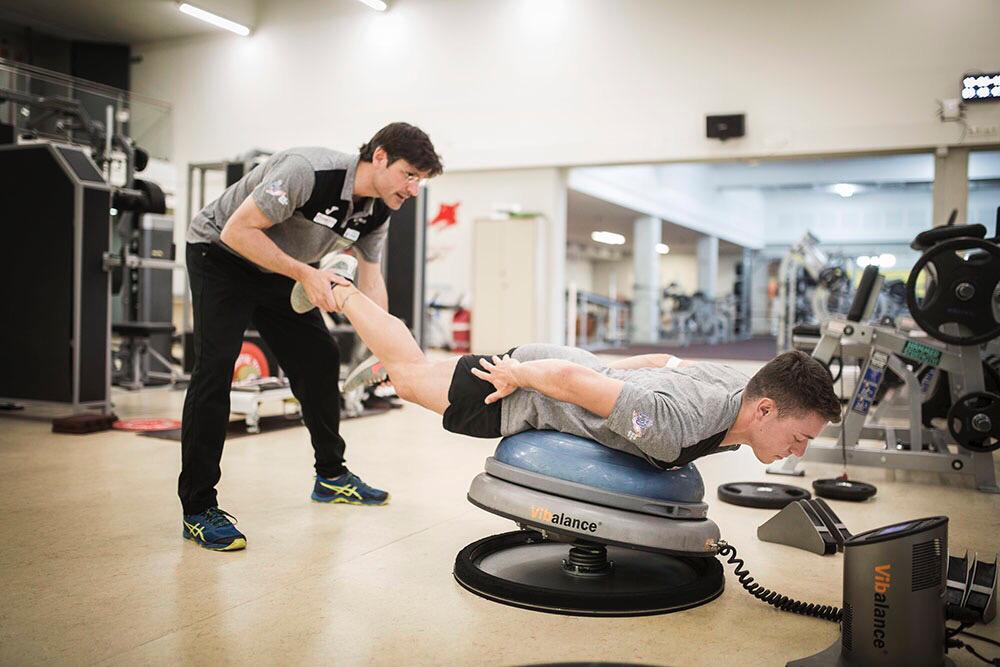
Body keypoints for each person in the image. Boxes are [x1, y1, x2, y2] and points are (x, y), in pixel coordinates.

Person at [180, 123, 443, 552]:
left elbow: (372, 282)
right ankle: (197, 507)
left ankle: (332, 477)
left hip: (281, 269)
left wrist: (389, 353)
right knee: (214, 369)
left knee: (320, 360)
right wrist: (304, 272)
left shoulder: (377, 210)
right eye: (409, 174)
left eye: (421, 180)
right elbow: (237, 231)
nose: (414, 189)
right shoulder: (308, 171)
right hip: (221, 255)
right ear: (379, 156)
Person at [322, 275, 842, 470]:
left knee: (414, 374)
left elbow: (660, 364)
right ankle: (340, 290)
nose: (798, 451)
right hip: (531, 387)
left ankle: (385, 365)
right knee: (412, 379)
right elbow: (571, 386)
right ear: (767, 408)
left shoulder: (738, 388)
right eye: (799, 438)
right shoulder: (676, 425)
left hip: (562, 369)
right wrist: (519, 376)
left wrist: (608, 379)